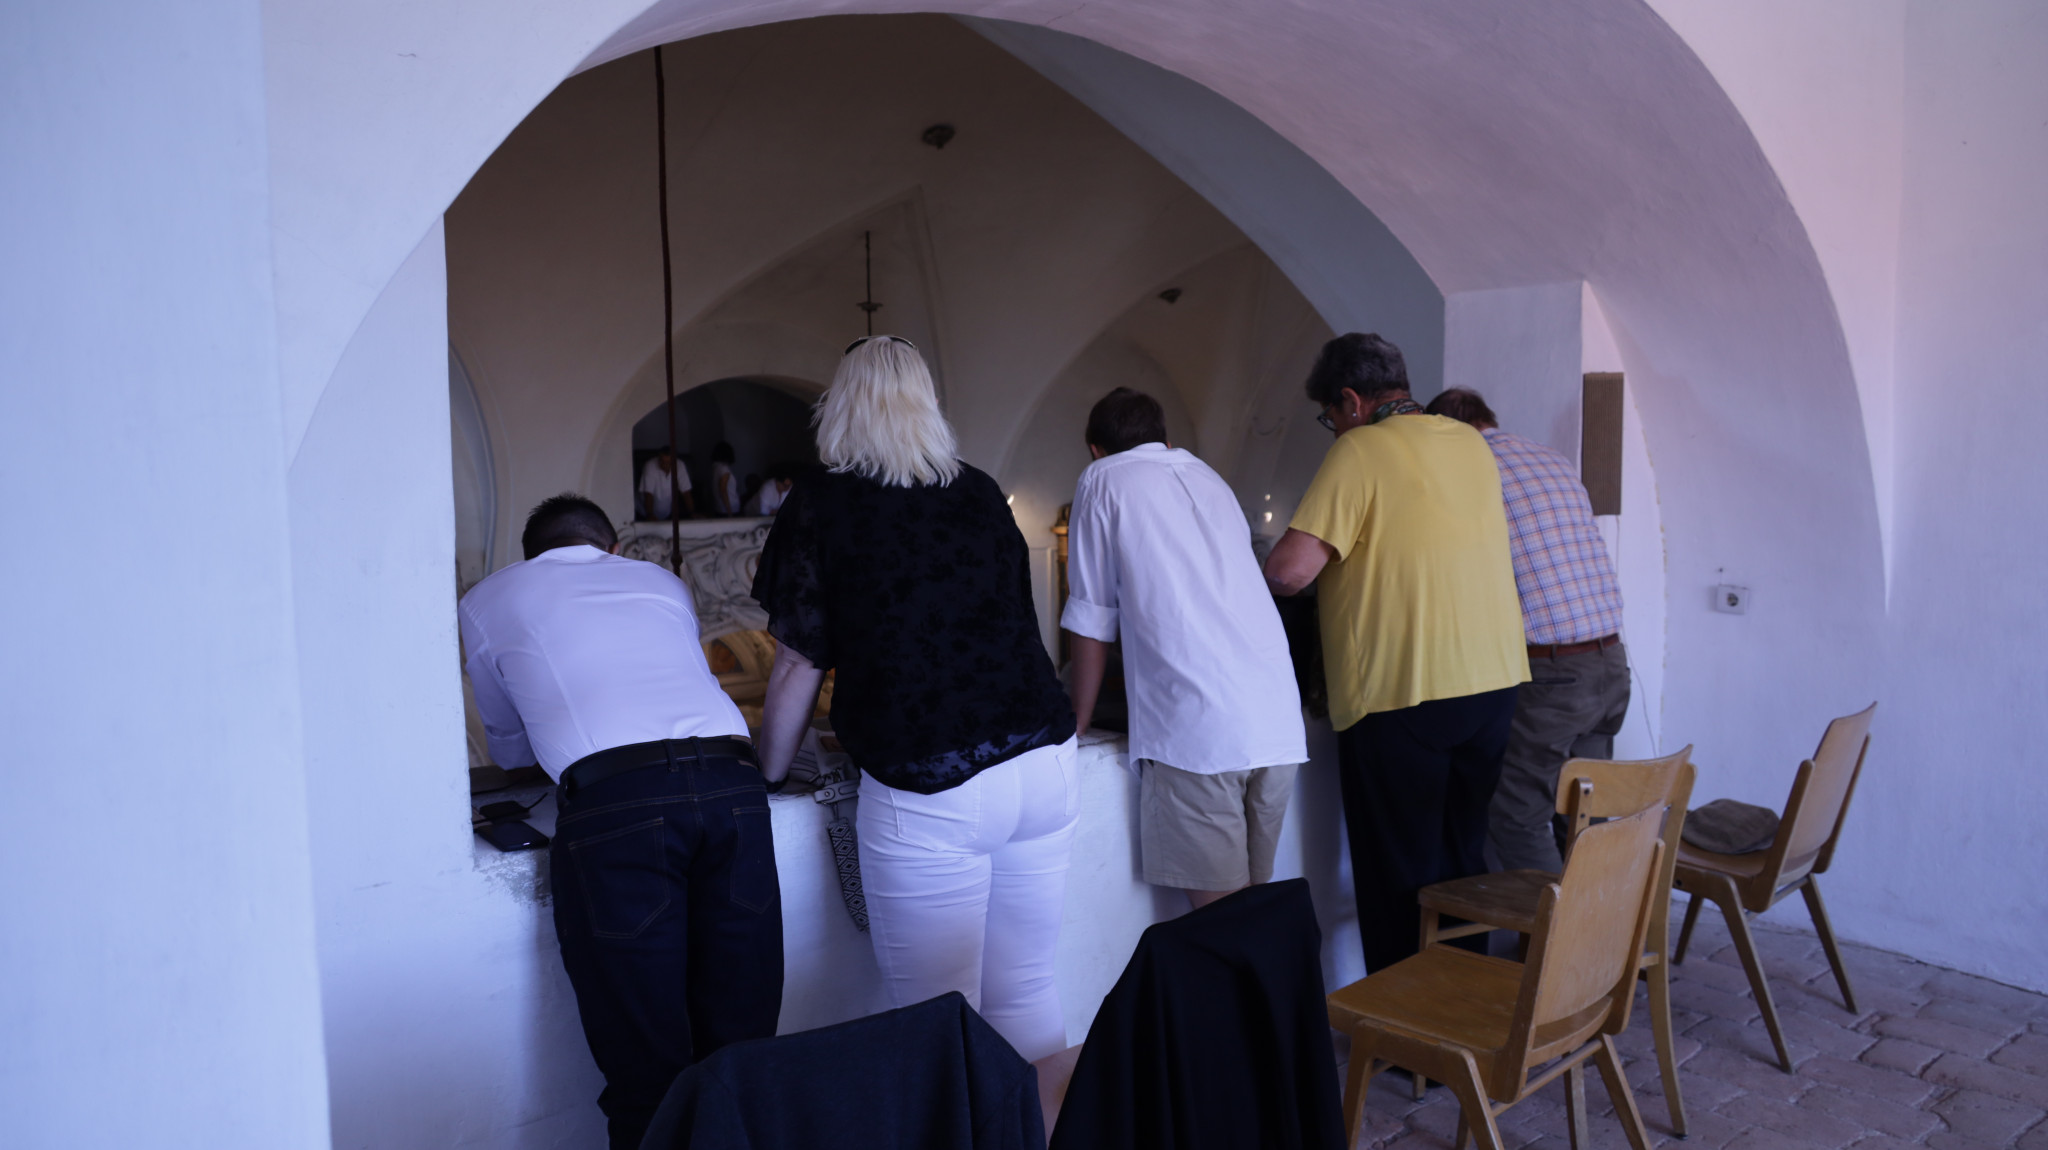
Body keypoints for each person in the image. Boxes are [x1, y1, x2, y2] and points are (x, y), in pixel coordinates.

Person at [751, 335, 1079, 1062]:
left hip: (932, 784)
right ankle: (1049, 1123)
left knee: (937, 1029)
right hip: (1044, 759)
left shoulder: (823, 501)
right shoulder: (979, 489)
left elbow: (799, 660)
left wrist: (769, 771)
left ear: (840, 406)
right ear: (926, 403)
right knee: (1027, 992)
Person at [459, 494, 781, 1149]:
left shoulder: (488, 600)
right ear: (612, 550)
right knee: (743, 1048)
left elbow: (510, 751)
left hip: (621, 803)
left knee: (647, 1063)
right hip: (734, 787)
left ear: (532, 556)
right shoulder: (661, 582)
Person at [1261, 333, 1527, 974]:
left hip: (1403, 690)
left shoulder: (1360, 449)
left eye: (1330, 414)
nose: (1333, 427)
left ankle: (1406, 1021)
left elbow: (1289, 571)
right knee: (1461, 862)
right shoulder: (1469, 441)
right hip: (1492, 683)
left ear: (1351, 401)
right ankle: (1460, 1003)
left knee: (1397, 875)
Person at [1062, 387, 1306, 910]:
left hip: (1200, 726)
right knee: (1254, 908)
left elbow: (1091, 613)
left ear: (1095, 449)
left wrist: (1077, 720)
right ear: (1165, 441)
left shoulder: (1103, 478)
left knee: (1221, 918)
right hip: (1276, 723)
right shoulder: (1207, 476)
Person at [1424, 387, 1629, 874]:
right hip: (1611, 664)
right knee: (1586, 814)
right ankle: (1601, 917)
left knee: (1516, 817)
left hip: (1555, 674)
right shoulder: (1551, 458)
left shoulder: (1470, 468)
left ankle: (1559, 926)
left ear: (1446, 431)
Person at [637, 446, 695, 520]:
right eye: (662, 461)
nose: (664, 465)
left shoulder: (680, 465)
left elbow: (686, 492)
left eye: (668, 462)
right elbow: (648, 494)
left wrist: (692, 513)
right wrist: (650, 514)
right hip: (644, 511)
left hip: (666, 512)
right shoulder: (650, 466)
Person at [710, 441, 740, 515]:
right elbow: (723, 490)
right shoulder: (724, 469)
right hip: (729, 509)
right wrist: (729, 510)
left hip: (720, 508)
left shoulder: (716, 467)